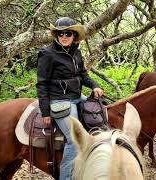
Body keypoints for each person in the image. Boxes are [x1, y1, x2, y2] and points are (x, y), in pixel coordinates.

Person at [36, 17, 104, 180]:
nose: (64, 36)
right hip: (60, 101)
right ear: (56, 35)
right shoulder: (47, 54)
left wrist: (94, 85)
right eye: (60, 33)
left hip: (76, 96)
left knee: (101, 116)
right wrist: (45, 112)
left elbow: (83, 75)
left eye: (68, 33)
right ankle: (66, 177)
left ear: (74, 35)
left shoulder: (76, 52)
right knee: (74, 140)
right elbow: (42, 84)